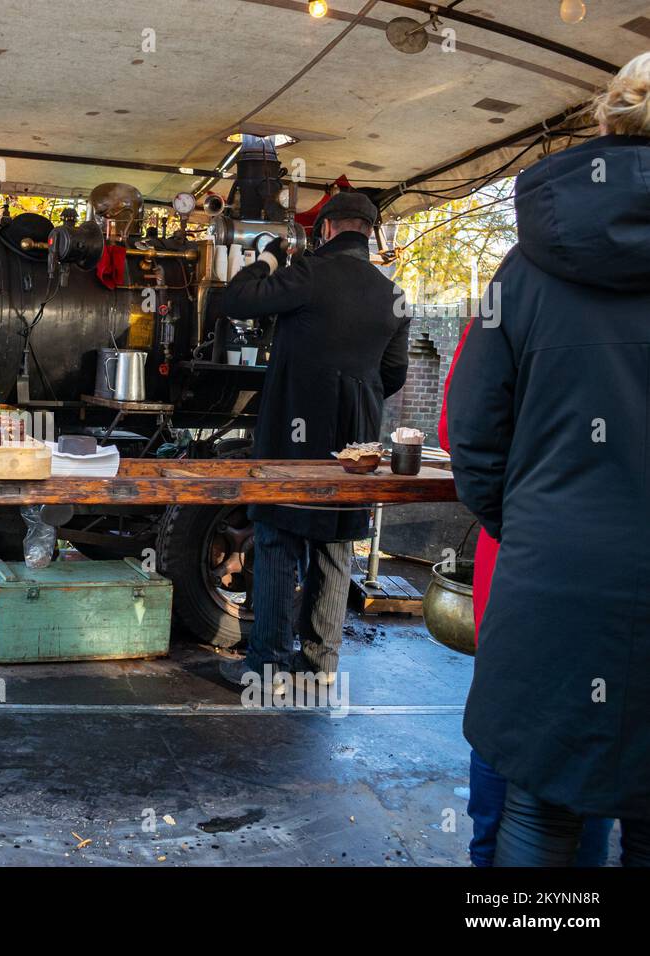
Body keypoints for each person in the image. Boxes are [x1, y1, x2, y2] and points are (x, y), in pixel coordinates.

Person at [447, 51, 650, 866]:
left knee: (539, 811)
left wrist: (533, 521)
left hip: (555, 580)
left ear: (603, 124)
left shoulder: (527, 267)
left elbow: (473, 427)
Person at [216, 192, 410, 690]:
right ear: (370, 234)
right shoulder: (394, 294)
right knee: (336, 542)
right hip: (356, 446)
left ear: (324, 230)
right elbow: (393, 374)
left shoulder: (306, 274)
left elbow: (235, 300)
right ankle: (321, 664)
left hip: (292, 433)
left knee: (279, 538)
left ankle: (268, 667)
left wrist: (265, 256)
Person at [439, 325, 614, 867]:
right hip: (621, 590)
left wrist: (515, 525)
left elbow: (459, 430)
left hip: (526, 569)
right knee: (596, 767)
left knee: (512, 744)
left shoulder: (518, 288)